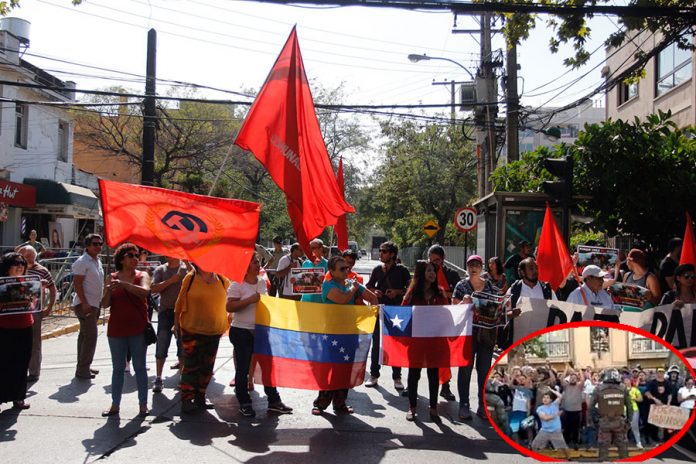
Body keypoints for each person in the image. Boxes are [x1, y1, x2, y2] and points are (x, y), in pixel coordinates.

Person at [227, 255, 293, 417]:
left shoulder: (262, 282)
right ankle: (244, 403)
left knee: (268, 367)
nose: (258, 265)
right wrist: (250, 300)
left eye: (258, 262)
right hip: (242, 331)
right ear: (246, 266)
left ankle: (274, 401)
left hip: (261, 331)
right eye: (255, 262)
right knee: (243, 369)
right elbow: (230, 306)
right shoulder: (237, 284)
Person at [313, 255, 377, 415]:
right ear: (332, 271)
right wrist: (354, 289)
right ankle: (320, 404)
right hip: (332, 333)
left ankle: (340, 403)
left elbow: (373, 298)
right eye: (342, 268)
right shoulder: (328, 285)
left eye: (347, 268)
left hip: (349, 333)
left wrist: (371, 315)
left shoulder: (351, 283)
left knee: (345, 369)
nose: (346, 270)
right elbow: (342, 299)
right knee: (330, 368)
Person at [100, 243, 151, 417]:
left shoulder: (142, 275)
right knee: (118, 368)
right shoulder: (112, 277)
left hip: (138, 328)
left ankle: (143, 404)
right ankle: (115, 404)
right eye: (131, 255)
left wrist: (124, 285)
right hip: (117, 329)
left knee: (140, 367)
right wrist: (108, 290)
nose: (135, 258)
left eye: (137, 255)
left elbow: (145, 292)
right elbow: (105, 304)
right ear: (121, 259)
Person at [175, 263, 230, 414]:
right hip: (192, 329)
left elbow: (230, 298)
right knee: (191, 366)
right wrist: (176, 324)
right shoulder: (190, 278)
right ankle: (187, 400)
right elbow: (179, 302)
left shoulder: (222, 279)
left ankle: (200, 397)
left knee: (207, 367)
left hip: (214, 331)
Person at [452, 254, 499, 421]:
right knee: (465, 370)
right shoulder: (461, 286)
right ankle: (464, 404)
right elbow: (454, 310)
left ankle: (482, 405)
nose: (473, 268)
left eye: (477, 265)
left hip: (486, 334)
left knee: (484, 371)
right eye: (471, 265)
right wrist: (462, 303)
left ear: (482, 268)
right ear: (467, 267)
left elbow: (497, 307)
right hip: (467, 334)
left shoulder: (490, 286)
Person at [401, 260, 448, 422]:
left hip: (434, 341)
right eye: (429, 270)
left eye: (433, 271)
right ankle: (412, 407)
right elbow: (403, 313)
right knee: (414, 374)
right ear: (421, 274)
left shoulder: (440, 293)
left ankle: (433, 408)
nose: (432, 274)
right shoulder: (412, 293)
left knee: (433, 374)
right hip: (416, 341)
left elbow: (446, 314)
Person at [365, 241, 410, 390]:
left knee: (396, 344)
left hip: (397, 312)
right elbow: (369, 286)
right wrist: (374, 291)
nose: (380, 254)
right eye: (380, 251)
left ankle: (397, 377)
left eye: (384, 251)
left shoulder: (402, 270)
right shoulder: (377, 269)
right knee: (377, 344)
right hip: (379, 311)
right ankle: (374, 375)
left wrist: (397, 292)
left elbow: (410, 289)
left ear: (392, 254)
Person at [18, 246, 56, 382]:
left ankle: (34, 372)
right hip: (17, 311)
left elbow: (53, 288)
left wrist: (49, 307)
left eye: (23, 256)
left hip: (35, 311)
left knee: (34, 342)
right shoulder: (16, 270)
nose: (21, 259)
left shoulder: (42, 270)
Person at [427, 244, 460, 401]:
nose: (435, 263)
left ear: (443, 259)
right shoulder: (425, 273)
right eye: (432, 260)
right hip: (427, 318)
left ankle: (445, 386)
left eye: (437, 260)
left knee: (444, 354)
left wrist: (442, 293)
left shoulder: (452, 274)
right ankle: (411, 385)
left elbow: (458, 293)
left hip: (445, 318)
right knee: (421, 352)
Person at [150, 256, 188, 393]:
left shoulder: (185, 269)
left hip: (183, 313)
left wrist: (187, 264)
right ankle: (158, 377)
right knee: (162, 345)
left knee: (182, 346)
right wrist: (172, 280)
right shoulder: (161, 270)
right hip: (166, 312)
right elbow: (153, 288)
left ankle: (182, 377)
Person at [0, 252, 32, 411]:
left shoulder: (28, 283)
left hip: (25, 326)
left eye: (22, 264)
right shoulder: (1, 284)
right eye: (16, 263)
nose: (20, 267)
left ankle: (18, 397)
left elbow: (34, 304)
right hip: (4, 328)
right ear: (7, 267)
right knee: (3, 364)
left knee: (22, 363)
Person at [71, 233, 105, 380]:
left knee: (84, 336)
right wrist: (84, 303)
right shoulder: (82, 262)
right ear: (87, 246)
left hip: (95, 303)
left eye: (100, 244)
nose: (98, 246)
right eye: (95, 244)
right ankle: (83, 369)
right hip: (85, 304)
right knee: (91, 336)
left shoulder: (97, 261)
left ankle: (83, 365)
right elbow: (77, 284)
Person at [591, 368, 633, 460]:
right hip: (619, 422)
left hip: (604, 422)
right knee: (622, 446)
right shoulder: (623, 388)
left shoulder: (598, 389)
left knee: (603, 447)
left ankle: (603, 461)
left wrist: (593, 421)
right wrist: (629, 421)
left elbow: (591, 407)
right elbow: (629, 406)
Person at [531, 388, 572, 460]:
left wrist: (550, 389)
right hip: (545, 430)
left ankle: (569, 458)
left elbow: (560, 396)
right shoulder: (540, 408)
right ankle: (536, 458)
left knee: (563, 447)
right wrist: (556, 414)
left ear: (551, 400)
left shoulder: (555, 404)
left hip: (556, 431)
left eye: (547, 398)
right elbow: (545, 418)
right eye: (544, 397)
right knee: (534, 445)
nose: (545, 399)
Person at [644, 367, 672, 445]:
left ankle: (665, 439)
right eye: (659, 372)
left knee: (665, 422)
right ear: (656, 373)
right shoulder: (651, 382)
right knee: (651, 423)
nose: (660, 374)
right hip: (653, 406)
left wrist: (668, 403)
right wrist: (654, 399)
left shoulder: (667, 383)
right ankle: (651, 439)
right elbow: (647, 393)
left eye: (662, 372)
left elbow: (670, 394)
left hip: (663, 406)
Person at [560, 368, 584, 450]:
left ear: (577, 379)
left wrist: (579, 370)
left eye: (574, 378)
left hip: (577, 411)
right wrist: (566, 370)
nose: (573, 379)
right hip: (567, 411)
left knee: (576, 429)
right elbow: (561, 379)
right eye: (571, 378)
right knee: (567, 428)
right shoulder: (566, 386)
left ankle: (575, 443)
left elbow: (582, 379)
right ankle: (566, 443)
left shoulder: (579, 386)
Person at [301, 238, 329, 304]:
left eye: (313, 248)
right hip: (305, 300)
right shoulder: (305, 263)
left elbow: (330, 282)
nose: (310, 250)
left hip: (320, 301)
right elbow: (301, 281)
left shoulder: (327, 264)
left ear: (320, 249)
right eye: (310, 248)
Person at [624, 377, 644, 449]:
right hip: (624, 410)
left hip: (634, 409)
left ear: (630, 381)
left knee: (634, 426)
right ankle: (624, 441)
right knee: (624, 426)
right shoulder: (622, 390)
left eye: (627, 380)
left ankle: (638, 442)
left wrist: (634, 398)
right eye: (625, 381)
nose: (626, 382)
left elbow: (641, 399)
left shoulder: (635, 390)